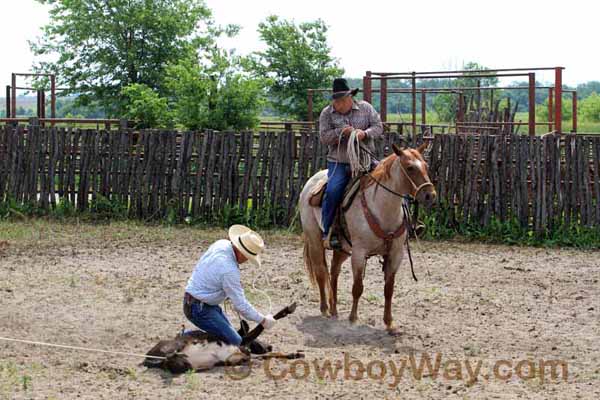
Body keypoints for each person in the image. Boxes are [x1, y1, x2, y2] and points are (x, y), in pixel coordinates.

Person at [183, 225, 276, 346]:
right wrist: (263, 320)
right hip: (199, 309)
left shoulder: (221, 244)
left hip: (197, 302)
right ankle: (186, 336)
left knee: (230, 334)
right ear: (242, 253)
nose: (247, 261)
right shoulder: (229, 270)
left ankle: (191, 336)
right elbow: (241, 306)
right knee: (234, 341)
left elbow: (211, 272)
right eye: (248, 258)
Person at [319, 78, 383, 249]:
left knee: (391, 179)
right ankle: (328, 231)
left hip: (366, 159)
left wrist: (365, 133)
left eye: (340, 101)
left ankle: (406, 222)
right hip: (339, 162)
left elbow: (378, 127)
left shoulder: (366, 108)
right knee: (333, 191)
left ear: (349, 98)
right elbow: (324, 137)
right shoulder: (327, 113)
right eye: (335, 101)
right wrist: (341, 132)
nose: (337, 105)